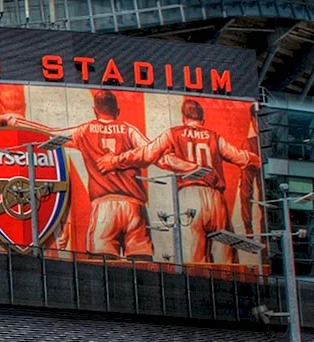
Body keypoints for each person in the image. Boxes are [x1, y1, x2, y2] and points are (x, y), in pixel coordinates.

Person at [0, 89, 154, 258]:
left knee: (103, 266)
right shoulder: (129, 130)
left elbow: (51, 134)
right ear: (117, 111)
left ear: (95, 110)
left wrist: (14, 120)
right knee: (143, 263)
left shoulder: (84, 131)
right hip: (135, 205)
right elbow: (152, 150)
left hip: (104, 206)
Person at [96, 98, 256, 264]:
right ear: (203, 120)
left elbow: (146, 153)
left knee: (193, 259)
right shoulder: (214, 137)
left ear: (183, 118)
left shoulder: (174, 133)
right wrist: (257, 159)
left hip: (189, 196)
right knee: (226, 258)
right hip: (216, 197)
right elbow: (239, 157)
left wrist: (115, 160)